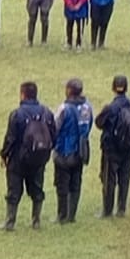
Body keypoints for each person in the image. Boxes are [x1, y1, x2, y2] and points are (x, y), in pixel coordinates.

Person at [0, 80, 55, 231]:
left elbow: (10, 138)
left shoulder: (17, 114)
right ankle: (36, 221)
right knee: (37, 189)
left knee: (14, 191)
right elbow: (53, 136)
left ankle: (10, 222)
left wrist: (3, 154)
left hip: (18, 160)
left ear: (22, 94)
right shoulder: (47, 113)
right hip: (38, 159)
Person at [93, 74, 130, 218]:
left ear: (113, 88)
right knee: (124, 178)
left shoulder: (110, 107)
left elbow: (99, 123)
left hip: (111, 148)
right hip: (128, 146)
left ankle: (107, 210)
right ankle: (121, 208)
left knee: (109, 180)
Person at [51, 78, 93, 223]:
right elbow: (89, 125)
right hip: (80, 151)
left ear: (69, 90)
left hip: (64, 151)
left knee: (62, 185)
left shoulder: (64, 108)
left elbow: (55, 128)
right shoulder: (87, 107)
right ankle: (72, 215)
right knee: (76, 183)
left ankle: (62, 215)